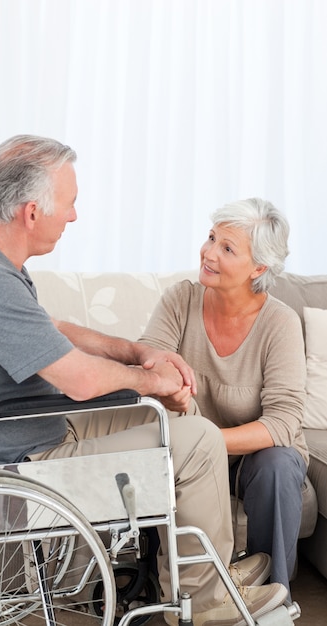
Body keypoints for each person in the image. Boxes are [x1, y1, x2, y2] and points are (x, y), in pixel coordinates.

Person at [0, 136, 287, 626]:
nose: (73, 215)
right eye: (69, 203)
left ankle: (205, 572)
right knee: (197, 439)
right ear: (32, 212)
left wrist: (139, 352)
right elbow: (80, 381)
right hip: (24, 467)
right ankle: (203, 600)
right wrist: (151, 379)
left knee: (180, 415)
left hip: (27, 435)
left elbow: (50, 328)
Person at [139, 197, 309, 600]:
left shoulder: (280, 323)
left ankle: (272, 594)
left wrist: (207, 442)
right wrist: (164, 379)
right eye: (211, 238)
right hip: (186, 454)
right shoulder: (181, 299)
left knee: (279, 465)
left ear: (259, 268)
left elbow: (283, 422)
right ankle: (183, 588)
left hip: (250, 456)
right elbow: (149, 358)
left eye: (227, 248)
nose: (208, 252)